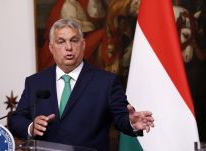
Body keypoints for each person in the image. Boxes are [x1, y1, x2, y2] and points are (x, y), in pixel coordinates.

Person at [8, 19, 154, 151]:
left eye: (74, 40)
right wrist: (31, 126)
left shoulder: (106, 82)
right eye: (61, 41)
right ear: (51, 48)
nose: (69, 47)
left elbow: (121, 117)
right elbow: (16, 119)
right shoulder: (35, 82)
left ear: (83, 45)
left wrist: (131, 123)